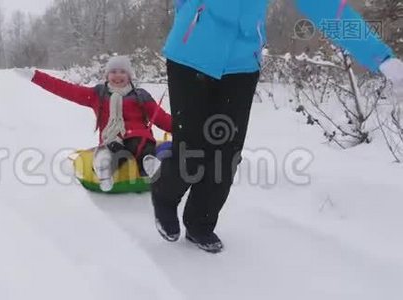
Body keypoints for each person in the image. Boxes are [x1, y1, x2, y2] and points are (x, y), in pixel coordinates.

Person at [152, 0, 403, 253]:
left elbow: (330, 9)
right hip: (190, 55)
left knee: (226, 152)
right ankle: (164, 195)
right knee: (193, 147)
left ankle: (200, 222)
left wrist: (380, 58)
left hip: (241, 65)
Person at [15, 56, 172, 191]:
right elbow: (67, 89)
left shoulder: (141, 96)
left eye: (123, 71)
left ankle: (150, 166)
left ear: (129, 75)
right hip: (112, 138)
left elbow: (162, 118)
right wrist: (35, 76)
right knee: (113, 150)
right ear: (107, 75)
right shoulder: (99, 95)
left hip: (138, 136)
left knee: (143, 146)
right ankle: (104, 169)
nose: (118, 76)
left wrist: (182, 128)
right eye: (113, 72)